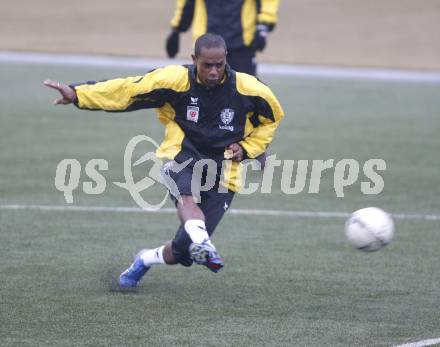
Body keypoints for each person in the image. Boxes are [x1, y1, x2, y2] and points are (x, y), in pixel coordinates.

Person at [44, 33, 284, 288]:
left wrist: (249, 148)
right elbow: (126, 90)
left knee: (182, 253)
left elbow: (272, 119)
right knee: (187, 197)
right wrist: (78, 94)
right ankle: (203, 243)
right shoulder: (173, 80)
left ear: (227, 59)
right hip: (181, 157)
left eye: (219, 64)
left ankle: (146, 258)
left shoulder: (250, 89)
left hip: (225, 173)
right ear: (194, 59)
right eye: (206, 65)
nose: (214, 71)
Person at [165, 0, 280, 76]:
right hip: (206, 46)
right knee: (203, 95)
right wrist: (176, 29)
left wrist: (264, 25)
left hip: (241, 43)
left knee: (246, 94)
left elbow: (268, 2)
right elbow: (187, 3)